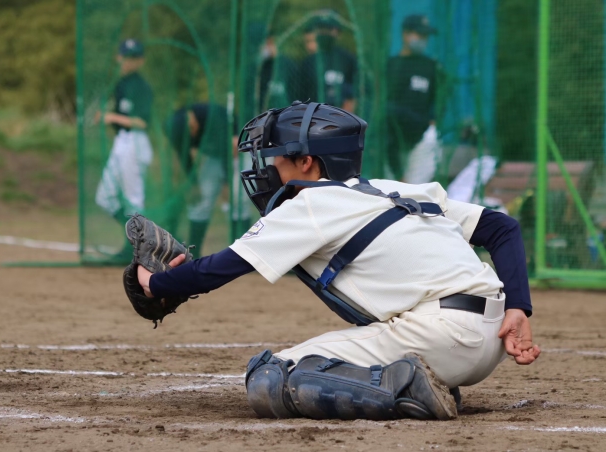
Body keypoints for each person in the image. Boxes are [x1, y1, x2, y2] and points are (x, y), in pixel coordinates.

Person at [138, 101, 540, 421]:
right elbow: (503, 228)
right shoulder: (392, 189)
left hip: (441, 336)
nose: (269, 169)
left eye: (276, 157)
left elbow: (220, 269)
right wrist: (518, 307)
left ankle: (405, 389)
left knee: (270, 377)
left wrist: (154, 284)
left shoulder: (310, 204)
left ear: (306, 162)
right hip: (495, 336)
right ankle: (415, 380)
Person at [95, 39, 154, 263]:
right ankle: (136, 241)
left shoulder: (141, 86)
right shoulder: (121, 83)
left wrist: (111, 117)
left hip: (135, 143)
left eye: (134, 57)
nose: (129, 61)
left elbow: (142, 122)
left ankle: (138, 250)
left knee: (133, 199)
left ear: (141, 61)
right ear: (119, 57)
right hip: (122, 142)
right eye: (126, 56)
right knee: (105, 196)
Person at [166, 103, 252, 255]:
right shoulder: (174, 128)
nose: (193, 135)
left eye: (191, 129)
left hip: (238, 150)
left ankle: (243, 253)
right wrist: (193, 184)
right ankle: (194, 254)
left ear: (191, 119)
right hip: (215, 155)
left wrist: (226, 183)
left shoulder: (212, 116)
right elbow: (184, 156)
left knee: (236, 199)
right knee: (200, 201)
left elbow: (230, 148)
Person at [386, 15, 441, 183]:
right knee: (392, 189)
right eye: (419, 34)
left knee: (415, 189)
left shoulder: (431, 66)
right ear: (405, 34)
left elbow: (439, 100)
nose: (423, 40)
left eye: (426, 36)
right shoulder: (390, 65)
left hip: (421, 136)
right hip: (392, 136)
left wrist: (434, 119)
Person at [298, 13, 358, 113]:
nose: (325, 33)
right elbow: (301, 94)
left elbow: (355, 92)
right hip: (314, 113)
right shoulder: (309, 61)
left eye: (329, 29)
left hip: (341, 113)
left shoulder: (348, 59)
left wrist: (347, 111)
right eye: (322, 29)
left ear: (337, 32)